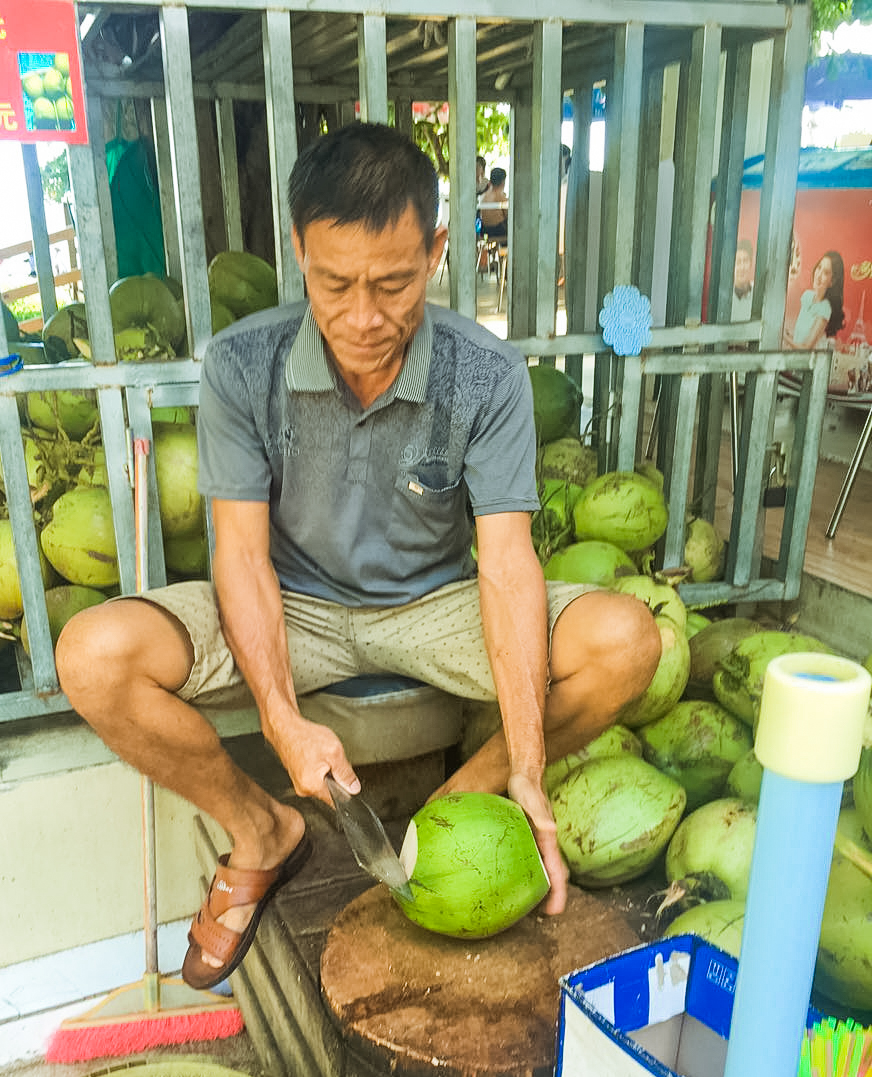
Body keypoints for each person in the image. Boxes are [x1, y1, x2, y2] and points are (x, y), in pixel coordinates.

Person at [56, 123, 659, 992]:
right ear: (299, 250)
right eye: (334, 283)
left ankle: (467, 799)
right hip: (292, 602)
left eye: (394, 283)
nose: (364, 317)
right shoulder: (241, 364)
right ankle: (262, 830)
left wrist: (527, 763)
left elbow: (506, 564)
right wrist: (281, 719)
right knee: (92, 656)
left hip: (436, 606)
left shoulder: (485, 373)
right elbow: (240, 555)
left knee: (629, 642)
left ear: (438, 251)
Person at [784, 249, 845, 350]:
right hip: (796, 359)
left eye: (825, 273)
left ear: (832, 281)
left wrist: (784, 337)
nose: (818, 275)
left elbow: (806, 348)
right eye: (819, 267)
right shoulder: (807, 296)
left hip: (812, 363)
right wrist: (788, 335)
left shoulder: (825, 308)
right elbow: (799, 339)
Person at [478, 166, 509, 241]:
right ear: (503, 182)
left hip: (485, 231)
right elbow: (508, 216)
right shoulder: (500, 196)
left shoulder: (484, 196)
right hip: (498, 231)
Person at [731, 239, 754, 323]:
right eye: (738, 262)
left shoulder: (759, 294)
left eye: (745, 261)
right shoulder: (725, 296)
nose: (742, 267)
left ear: (751, 264)